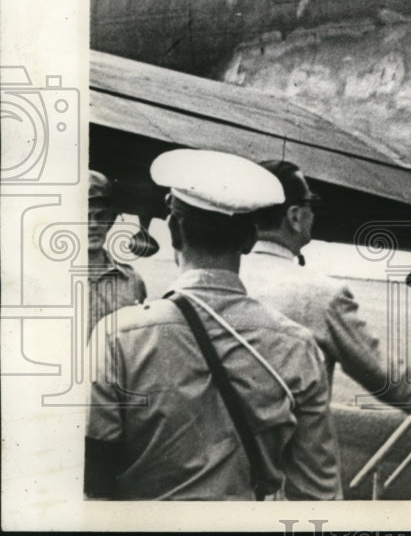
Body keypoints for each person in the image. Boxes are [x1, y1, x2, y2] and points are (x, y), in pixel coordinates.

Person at [85, 149, 339, 500]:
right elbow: (318, 496)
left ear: (173, 230)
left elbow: (93, 479)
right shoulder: (299, 347)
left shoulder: (118, 337)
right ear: (250, 239)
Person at [240, 159, 411, 497]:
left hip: (225, 489)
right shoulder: (321, 295)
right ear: (295, 216)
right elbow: (394, 384)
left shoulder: (222, 283)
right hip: (298, 493)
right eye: (310, 207)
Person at [87, 170, 147, 337]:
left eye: (100, 217)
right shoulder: (51, 279)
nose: (93, 225)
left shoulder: (131, 281)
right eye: (84, 217)